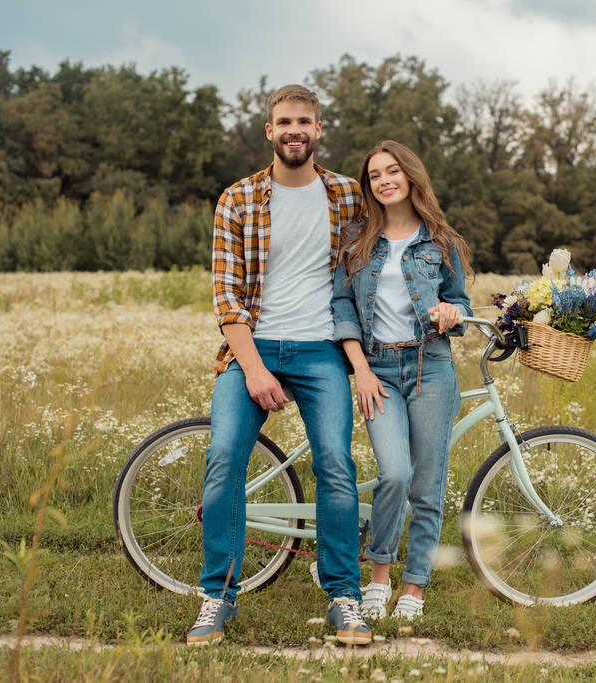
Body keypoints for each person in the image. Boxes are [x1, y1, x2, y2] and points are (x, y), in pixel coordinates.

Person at [187, 84, 372, 646]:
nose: (295, 130)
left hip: (321, 350)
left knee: (336, 464)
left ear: (319, 130)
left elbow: (387, 253)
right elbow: (227, 296)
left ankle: (344, 597)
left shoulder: (346, 196)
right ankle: (217, 597)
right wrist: (255, 369)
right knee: (223, 458)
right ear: (269, 131)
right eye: (284, 121)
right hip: (254, 350)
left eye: (305, 121)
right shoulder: (238, 199)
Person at [331, 140, 473, 621]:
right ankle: (379, 574)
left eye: (392, 171)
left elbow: (461, 304)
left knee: (427, 484)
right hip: (379, 372)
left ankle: (414, 587)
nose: (384, 180)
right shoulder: (356, 241)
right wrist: (361, 371)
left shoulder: (441, 241)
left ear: (411, 176)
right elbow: (342, 307)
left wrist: (453, 313)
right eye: (374, 175)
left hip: (431, 366)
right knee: (394, 473)